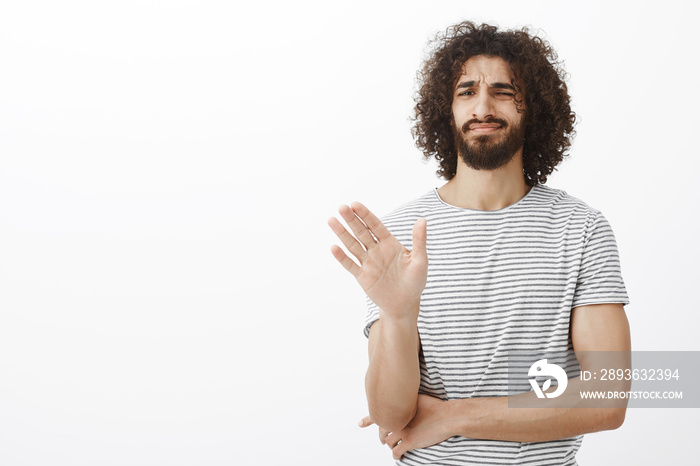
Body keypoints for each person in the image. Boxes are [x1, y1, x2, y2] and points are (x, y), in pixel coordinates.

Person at [328, 21, 630, 465]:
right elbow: (390, 414)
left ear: (534, 109)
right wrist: (397, 315)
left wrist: (456, 417)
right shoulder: (399, 236)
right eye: (466, 91)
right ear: (445, 110)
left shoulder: (581, 229)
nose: (483, 106)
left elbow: (608, 396)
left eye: (504, 92)